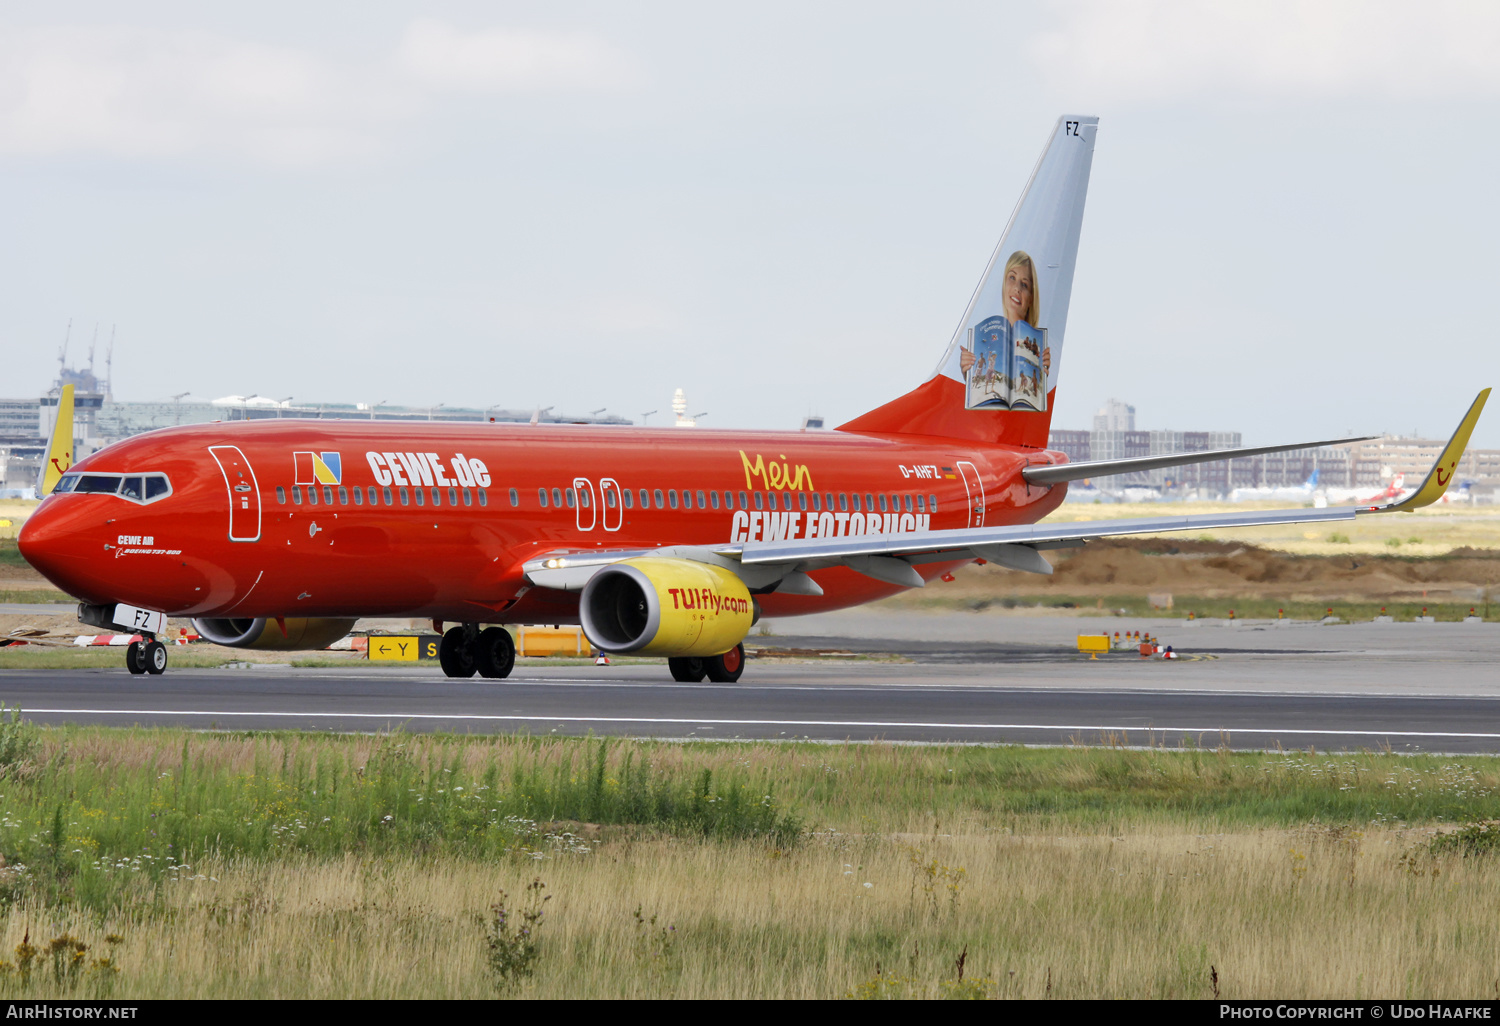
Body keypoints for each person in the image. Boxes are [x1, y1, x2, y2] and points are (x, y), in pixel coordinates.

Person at [960, 250, 1050, 380]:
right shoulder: (985, 339)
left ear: (1031, 298)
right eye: (1012, 278)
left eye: (1024, 284)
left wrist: (1044, 377)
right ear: (1004, 284)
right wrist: (968, 373)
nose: (1017, 288)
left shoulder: (1038, 348)